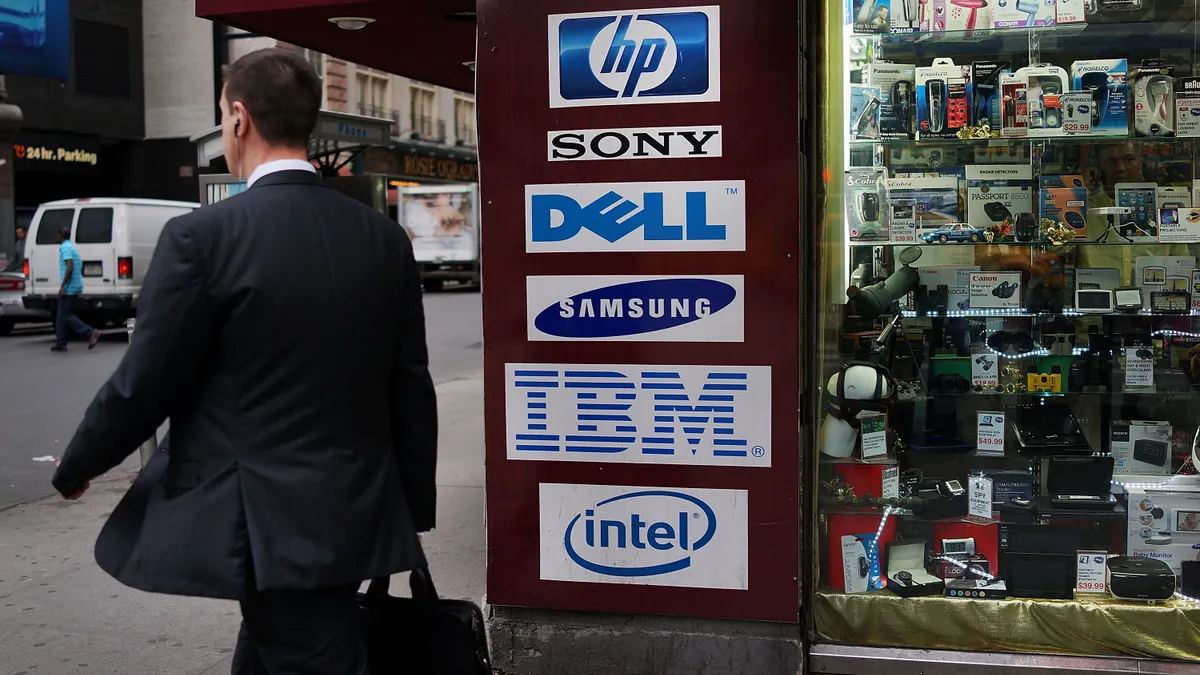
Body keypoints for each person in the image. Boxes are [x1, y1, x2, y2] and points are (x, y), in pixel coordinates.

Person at [50, 47, 438, 674]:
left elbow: (146, 381)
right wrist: (410, 509)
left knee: (310, 654)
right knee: (273, 651)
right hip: (359, 506)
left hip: (267, 522)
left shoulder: (203, 238)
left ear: (238, 118)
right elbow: (410, 386)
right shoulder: (383, 238)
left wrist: (79, 466)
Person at [53, 226, 101, 352]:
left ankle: (90, 332)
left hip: (70, 286)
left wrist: (63, 286)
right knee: (61, 314)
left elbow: (69, 266)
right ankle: (61, 342)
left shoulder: (65, 248)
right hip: (75, 284)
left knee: (66, 315)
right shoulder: (71, 247)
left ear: (60, 236)